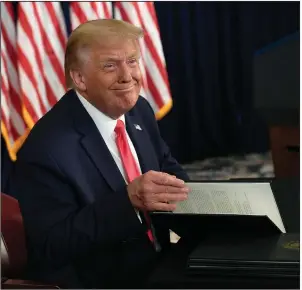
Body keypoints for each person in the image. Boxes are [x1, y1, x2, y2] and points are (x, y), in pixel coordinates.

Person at [9, 19, 190, 288]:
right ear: (79, 78)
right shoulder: (47, 149)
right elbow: (50, 245)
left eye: (132, 61)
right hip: (106, 278)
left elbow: (167, 167)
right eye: (110, 66)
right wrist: (128, 203)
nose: (127, 76)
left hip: (161, 261)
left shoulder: (138, 109)